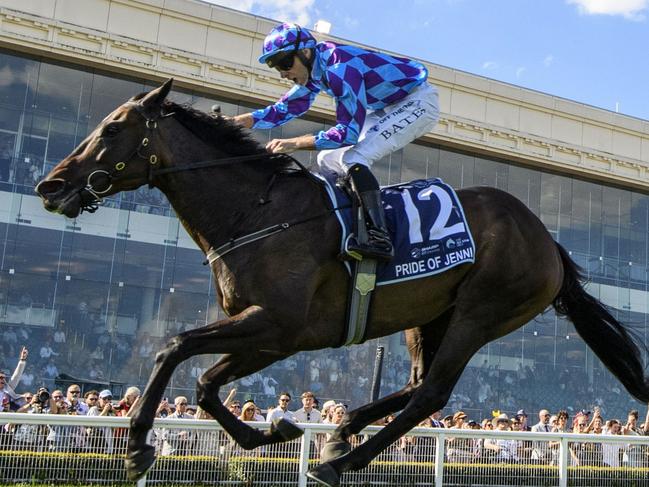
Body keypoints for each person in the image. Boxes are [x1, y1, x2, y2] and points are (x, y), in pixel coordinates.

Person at [230, 22, 440, 261]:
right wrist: (246, 120)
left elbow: (348, 133)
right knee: (327, 158)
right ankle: (348, 225)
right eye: (276, 66)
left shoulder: (340, 68)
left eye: (285, 63)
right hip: (390, 105)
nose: (282, 73)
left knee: (355, 157)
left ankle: (380, 239)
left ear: (305, 52)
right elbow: (287, 107)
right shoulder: (316, 68)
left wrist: (294, 143)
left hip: (420, 102)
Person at [0, 346, 28, 412]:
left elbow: (16, 377)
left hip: (5, 419)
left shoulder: (7, 389)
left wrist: (22, 360)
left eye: (4, 378)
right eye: (1, 378)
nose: (3, 380)